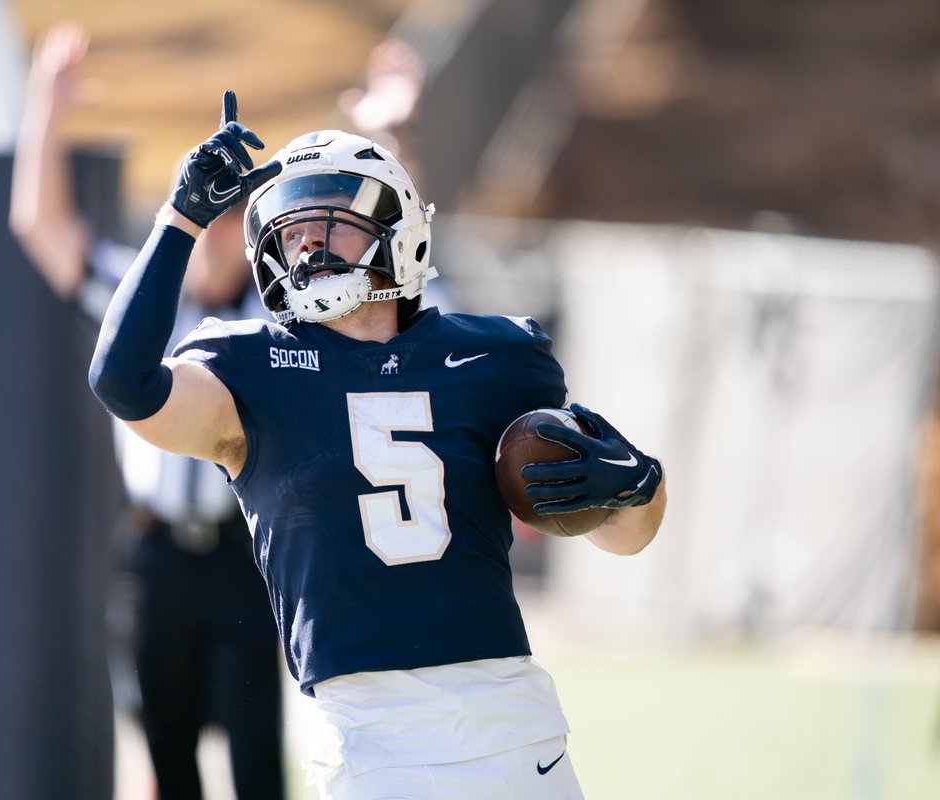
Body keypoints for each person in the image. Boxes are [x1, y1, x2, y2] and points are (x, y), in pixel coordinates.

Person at [88, 89, 667, 799]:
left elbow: (624, 534)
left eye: (331, 222)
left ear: (397, 227)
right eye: (292, 230)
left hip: (509, 716)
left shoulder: (497, 357)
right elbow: (122, 381)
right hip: (365, 734)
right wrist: (180, 218)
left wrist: (639, 485)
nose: (307, 241)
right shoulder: (248, 367)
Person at [9, 25, 285, 800]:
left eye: (234, 218)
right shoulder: (144, 306)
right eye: (209, 214)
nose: (217, 236)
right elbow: (42, 228)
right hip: (155, 553)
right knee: (166, 752)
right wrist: (47, 106)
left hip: (244, 554)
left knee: (257, 755)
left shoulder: (275, 323)